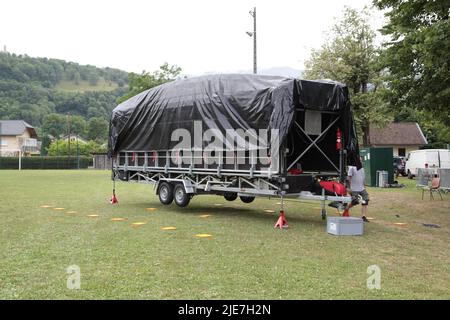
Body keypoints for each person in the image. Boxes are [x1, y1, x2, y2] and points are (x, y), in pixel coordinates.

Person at [344, 156, 370, 222]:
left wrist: (364, 187)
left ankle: (363, 216)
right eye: (359, 160)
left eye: (361, 161)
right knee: (355, 201)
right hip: (354, 189)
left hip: (362, 188)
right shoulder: (351, 168)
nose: (360, 162)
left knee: (366, 200)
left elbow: (362, 179)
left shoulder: (362, 169)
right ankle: (347, 208)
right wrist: (348, 188)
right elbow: (348, 178)